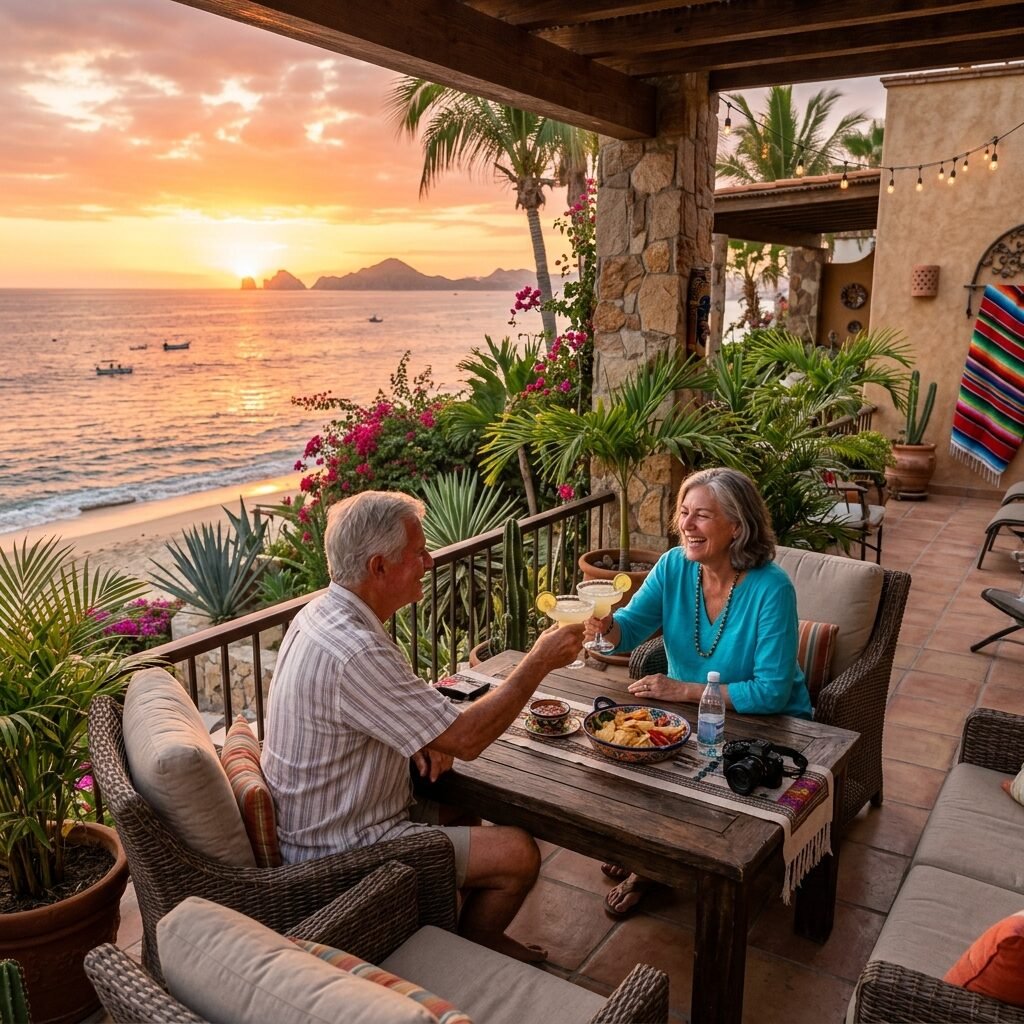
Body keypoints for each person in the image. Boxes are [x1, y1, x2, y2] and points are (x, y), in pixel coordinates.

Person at [262, 490, 584, 962]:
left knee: (461, 804)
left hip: (318, 826)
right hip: (340, 853)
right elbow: (468, 740)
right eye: (419, 553)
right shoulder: (355, 651)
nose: (430, 562)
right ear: (379, 567)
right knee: (519, 853)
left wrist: (413, 733)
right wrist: (538, 661)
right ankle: (475, 948)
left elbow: (373, 705)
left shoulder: (322, 613)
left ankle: (451, 925)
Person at [584, 466, 811, 917]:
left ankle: (649, 868)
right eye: (684, 513)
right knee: (627, 753)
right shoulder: (673, 566)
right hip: (692, 717)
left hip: (769, 723)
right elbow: (629, 630)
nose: (686, 525)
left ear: (737, 526)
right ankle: (646, 850)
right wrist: (606, 627)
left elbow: (769, 692)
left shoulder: (772, 589)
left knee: (693, 779)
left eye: (702, 515)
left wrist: (681, 690)